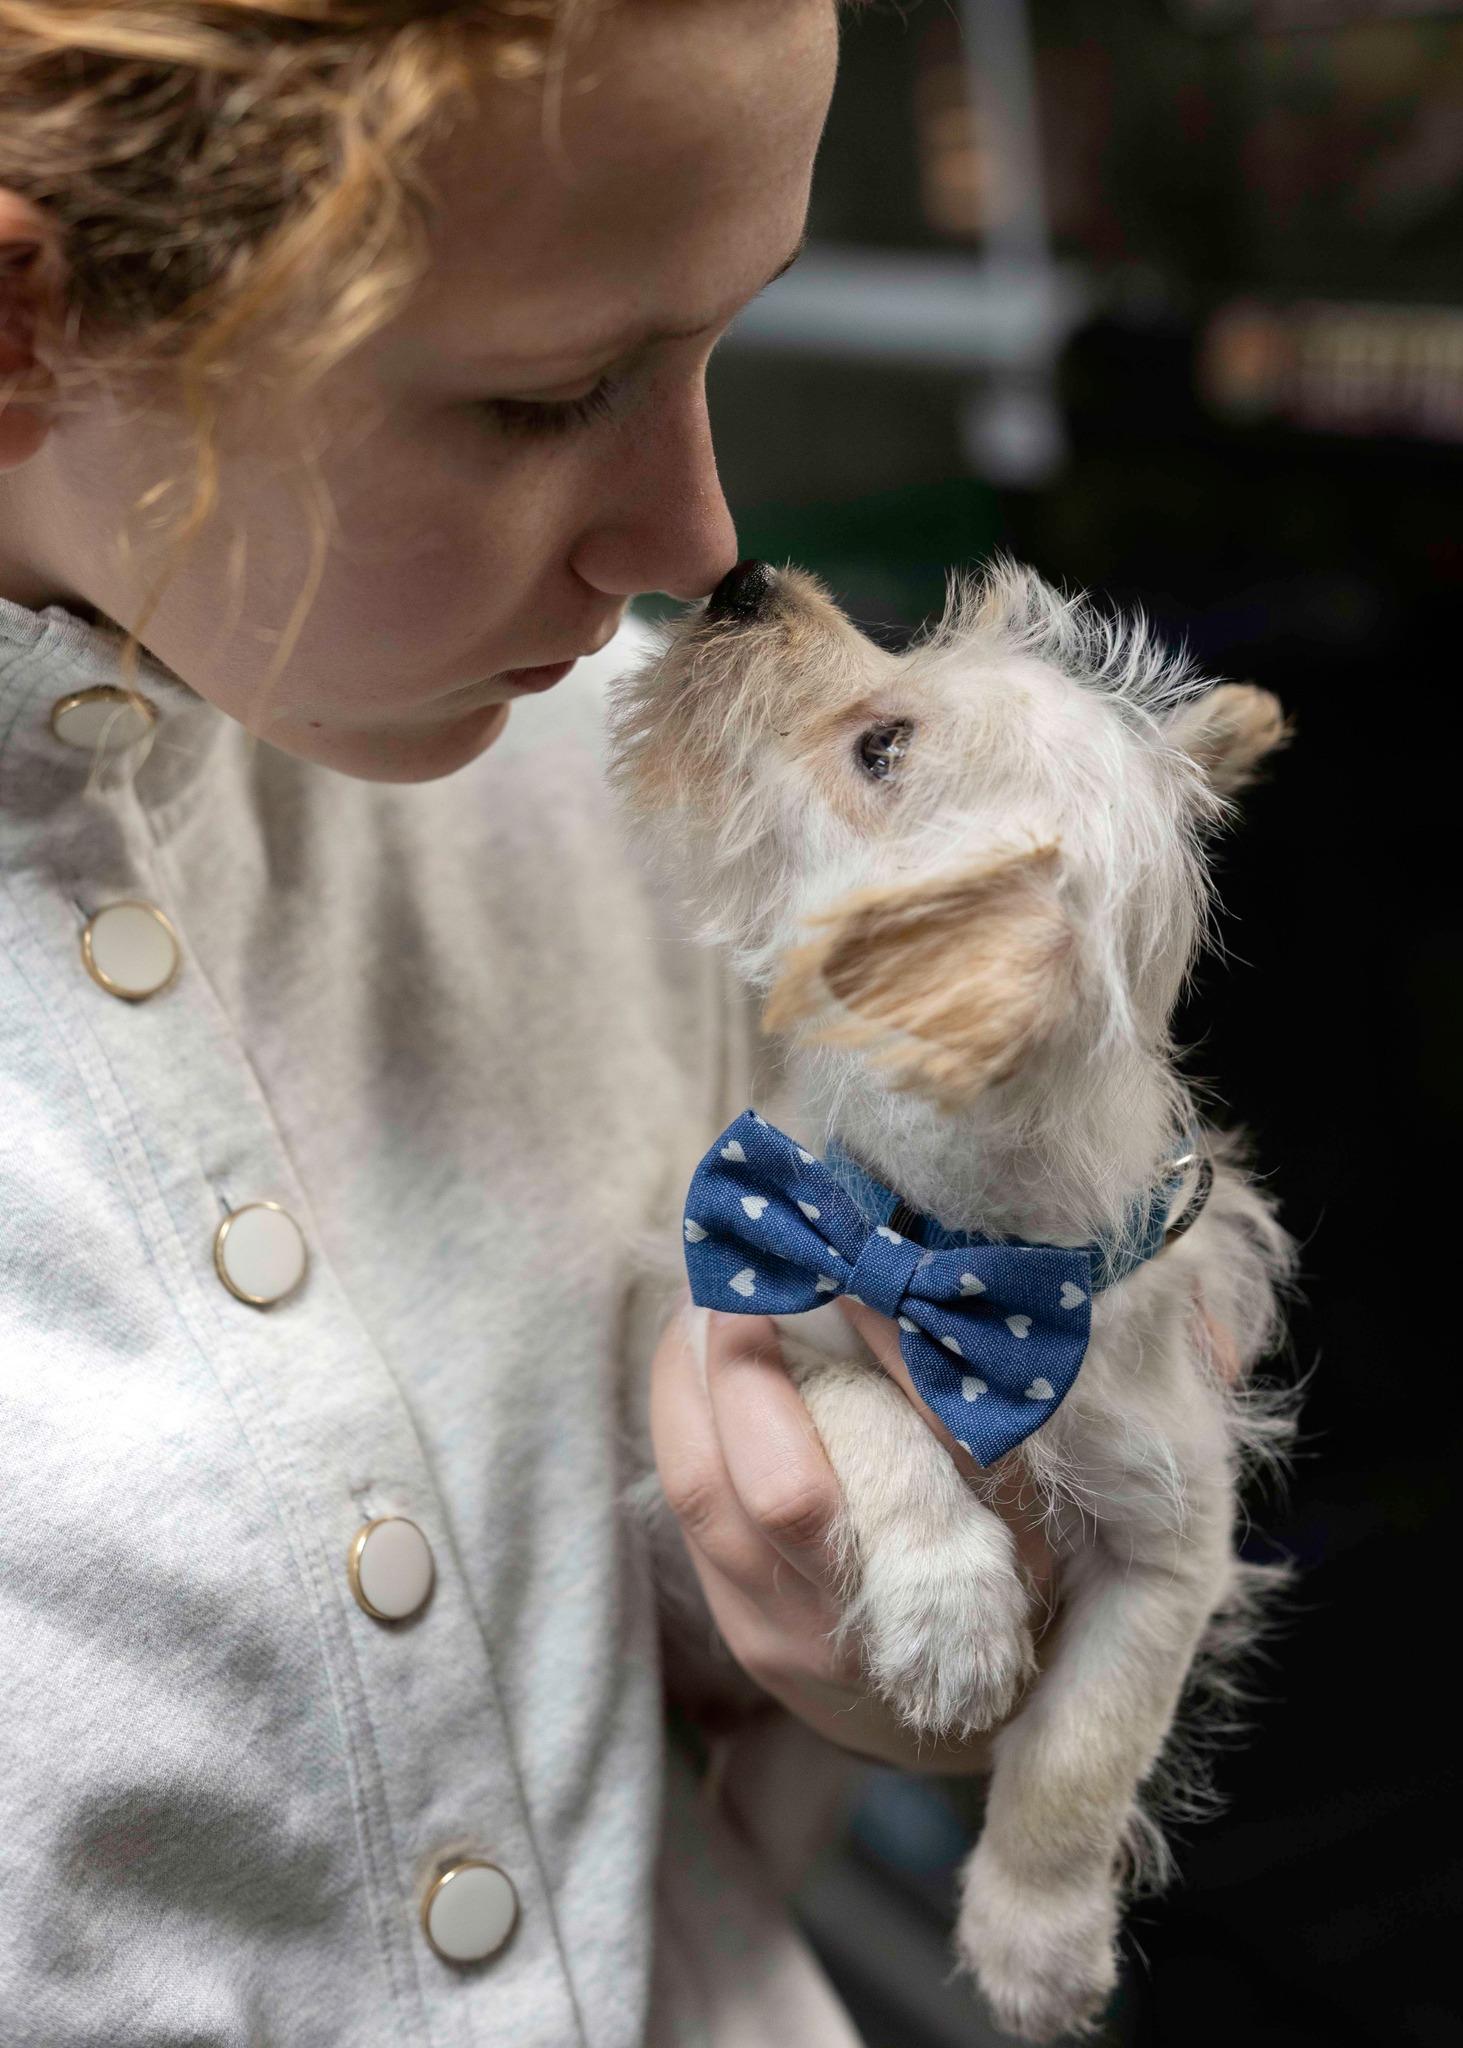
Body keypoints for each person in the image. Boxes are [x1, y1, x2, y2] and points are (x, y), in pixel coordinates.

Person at [0, 3, 1054, 2041]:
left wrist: (892, 1609)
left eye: (722, 330)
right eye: (549, 393)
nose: (696, 542)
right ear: (25, 312)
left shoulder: (644, 803)